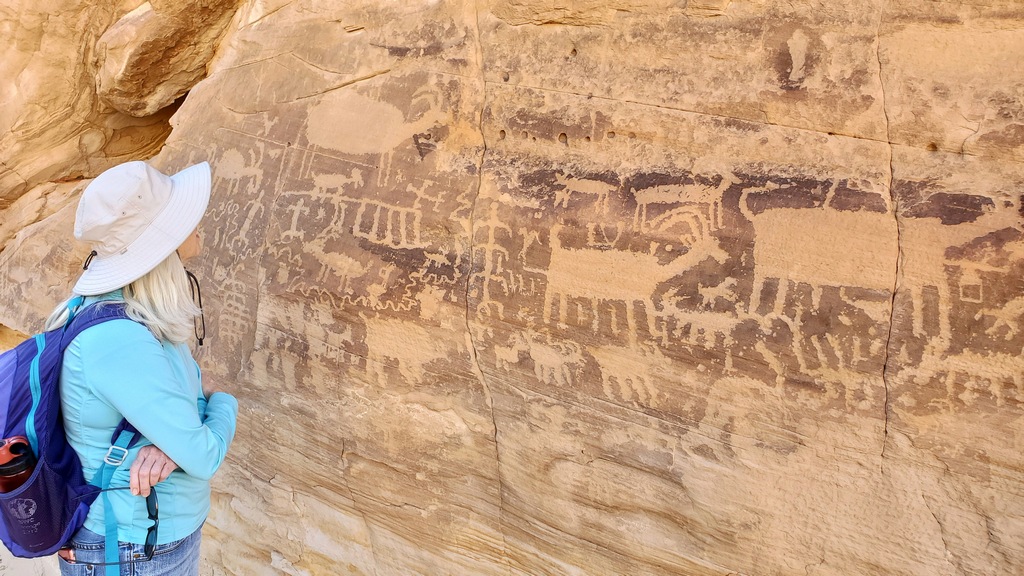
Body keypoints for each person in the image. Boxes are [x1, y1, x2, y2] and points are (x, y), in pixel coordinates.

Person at [44, 160, 237, 576]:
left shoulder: (135, 315)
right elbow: (204, 454)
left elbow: (187, 415)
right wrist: (224, 402)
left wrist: (174, 444)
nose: (197, 221)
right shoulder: (120, 339)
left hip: (148, 538)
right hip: (132, 546)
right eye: (180, 216)